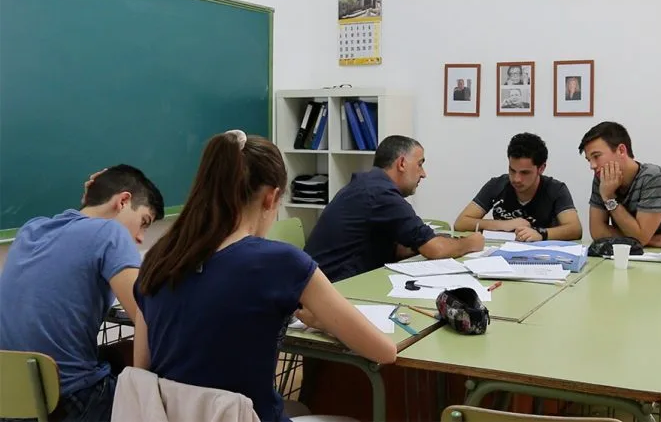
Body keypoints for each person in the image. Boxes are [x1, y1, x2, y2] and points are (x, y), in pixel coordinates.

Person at [132, 130, 397, 422]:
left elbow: (143, 370)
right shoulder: (282, 263)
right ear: (271, 198)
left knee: (299, 409)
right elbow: (383, 351)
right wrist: (326, 323)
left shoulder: (157, 259)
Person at [0, 164, 165, 422]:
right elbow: (147, 315)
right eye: (144, 222)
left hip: (12, 400)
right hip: (69, 402)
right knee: (162, 398)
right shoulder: (110, 233)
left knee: (117, 351)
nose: (141, 238)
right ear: (123, 201)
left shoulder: (30, 230)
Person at [304, 135, 484, 283]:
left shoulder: (367, 185)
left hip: (320, 285)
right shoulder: (381, 194)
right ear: (402, 163)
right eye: (420, 164)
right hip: (332, 291)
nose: (423, 173)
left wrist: (421, 246)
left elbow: (393, 249)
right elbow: (435, 249)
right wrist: (470, 242)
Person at [454, 133, 582, 242]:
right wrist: (503, 225)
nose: (516, 179)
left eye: (525, 173)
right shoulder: (496, 185)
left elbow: (575, 229)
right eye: (512, 170)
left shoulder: (556, 189)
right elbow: (460, 223)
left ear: (541, 168)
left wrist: (541, 234)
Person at [577, 121, 661, 248]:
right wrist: (652, 241)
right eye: (589, 160)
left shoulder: (654, 177)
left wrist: (609, 198)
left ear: (621, 150)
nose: (592, 166)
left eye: (596, 156)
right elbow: (597, 232)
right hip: (632, 253)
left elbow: (640, 238)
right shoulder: (602, 178)